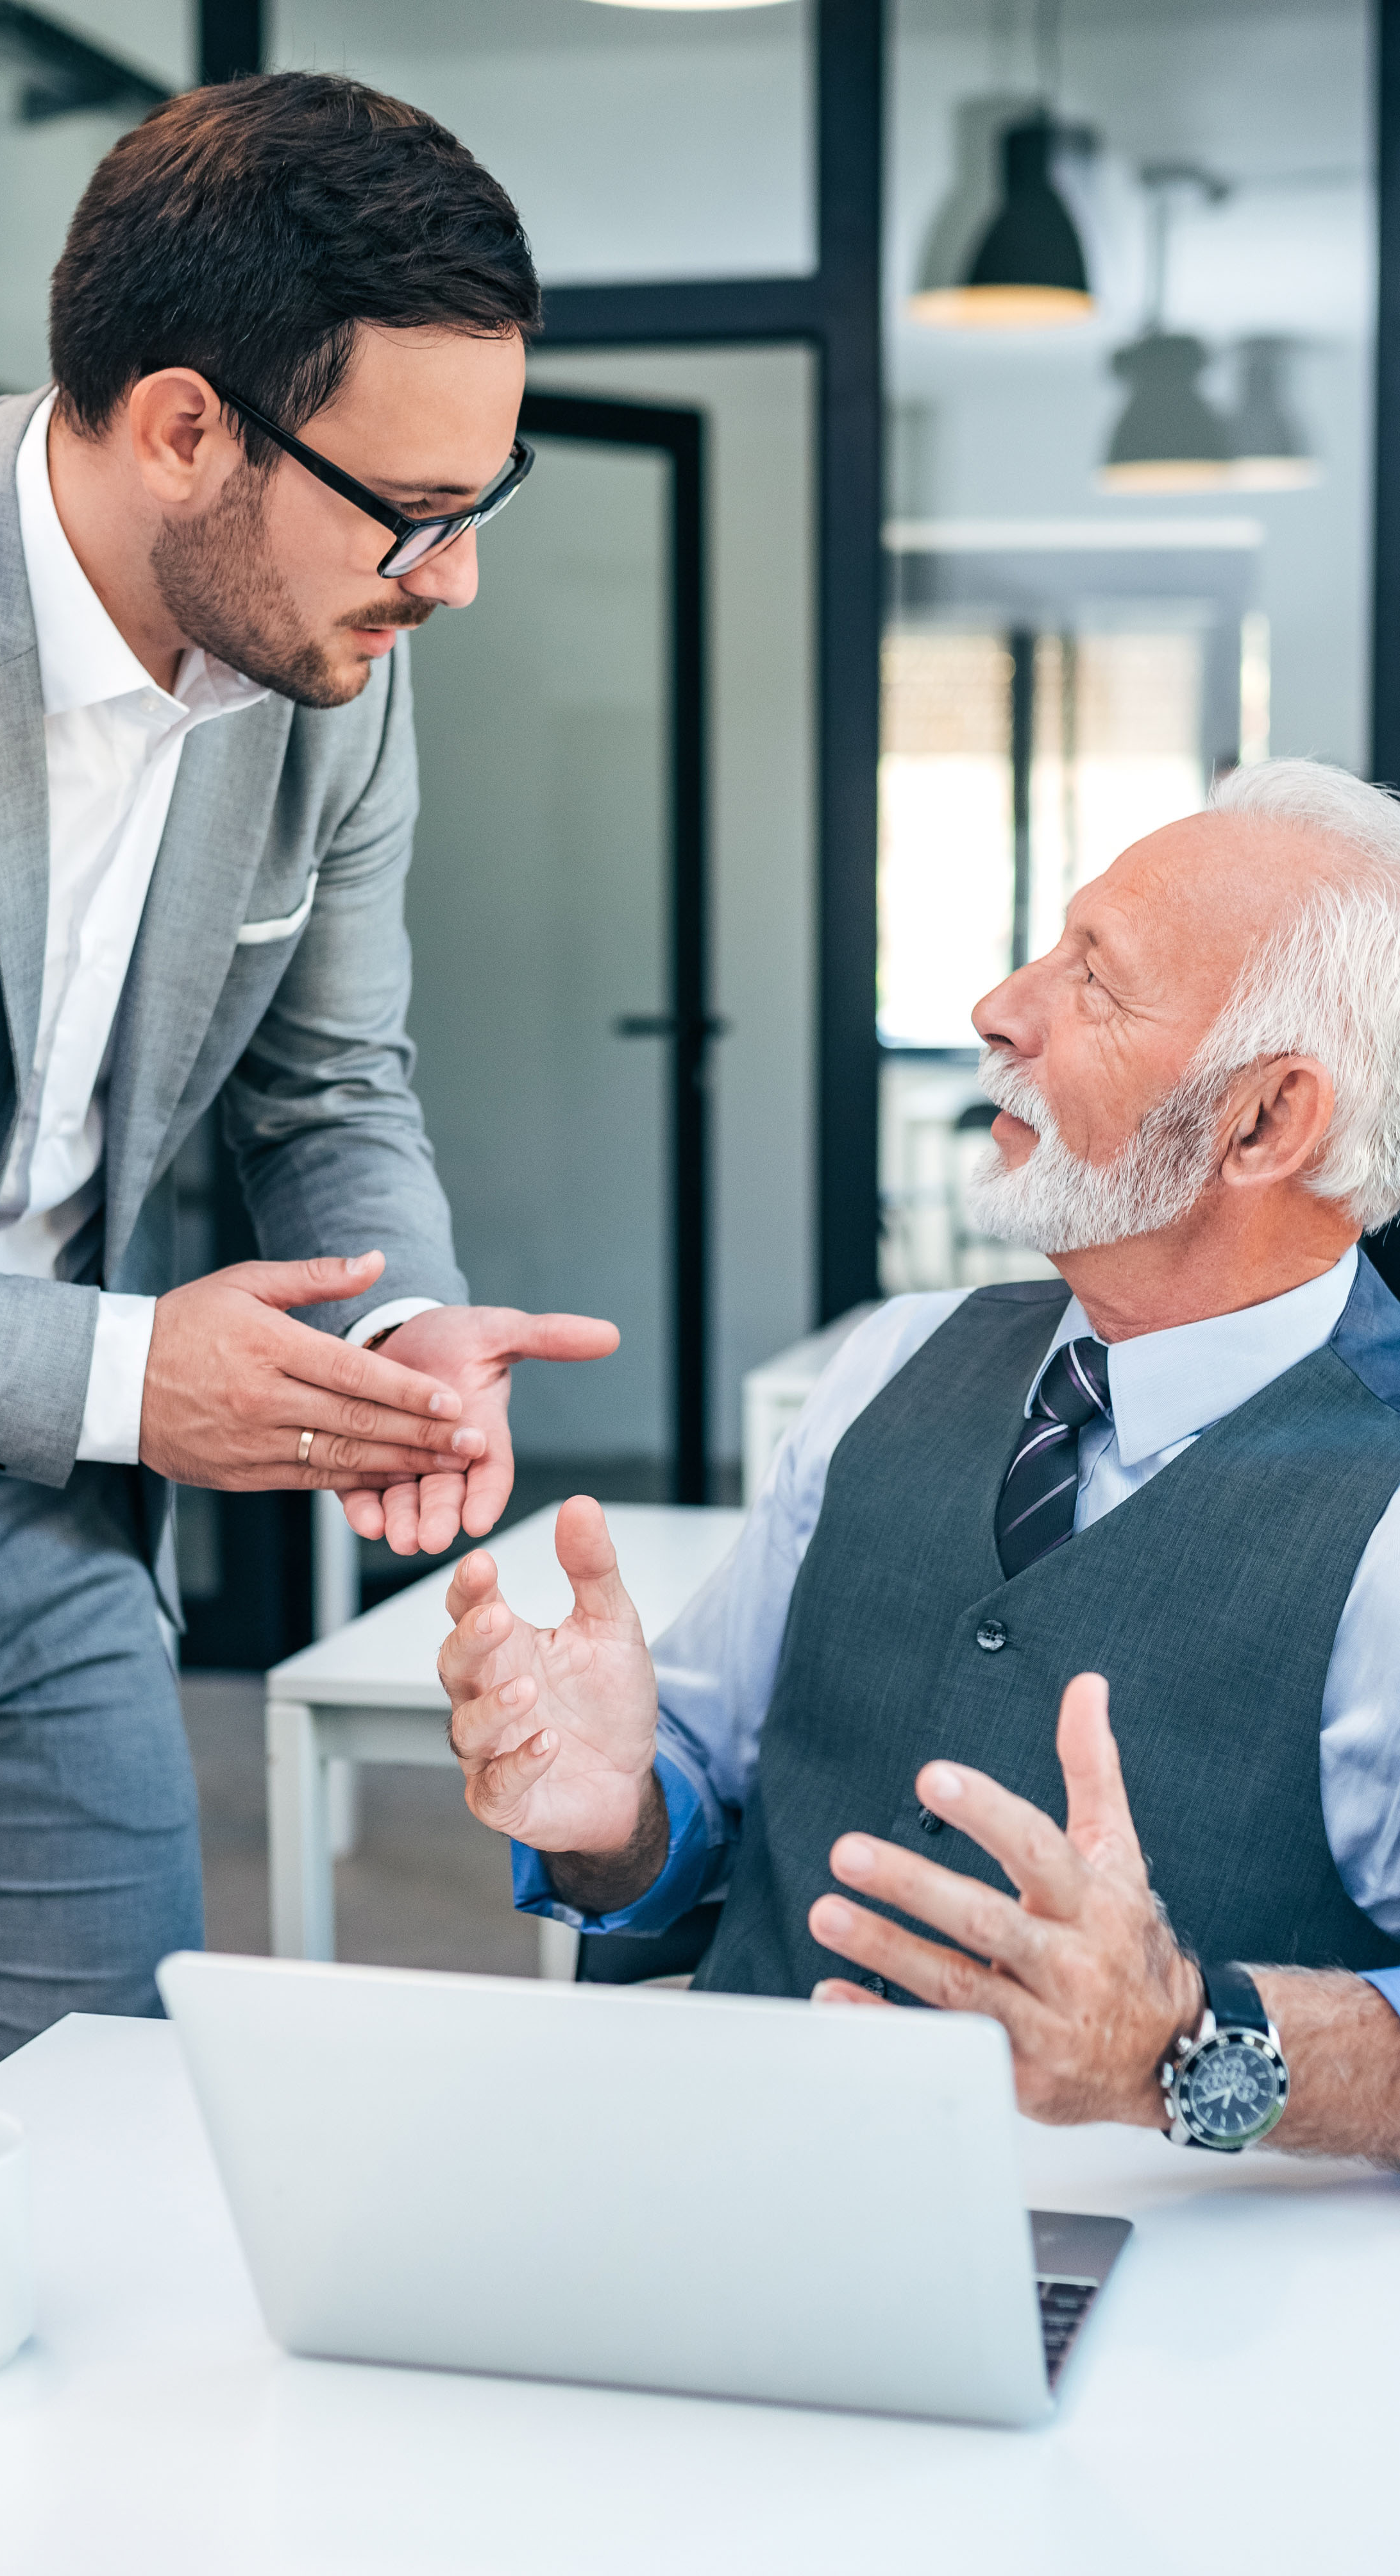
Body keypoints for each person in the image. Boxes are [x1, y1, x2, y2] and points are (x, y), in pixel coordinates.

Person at [0, 73, 618, 2105]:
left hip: (44, 1549)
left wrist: (393, 1329)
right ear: (186, 426)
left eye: (485, 499)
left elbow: (332, 1083)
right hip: (41, 1425)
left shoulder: (327, 678)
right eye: (413, 513)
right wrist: (137, 1381)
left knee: (138, 2184)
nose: (451, 580)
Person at [443, 756, 1400, 2161]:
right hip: (729, 2196)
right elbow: (683, 1818)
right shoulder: (894, 1358)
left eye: (1093, 981)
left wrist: (1182, 2043)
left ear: (1264, 1121)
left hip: (1160, 2320)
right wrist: (610, 1813)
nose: (998, 1008)